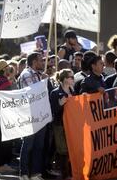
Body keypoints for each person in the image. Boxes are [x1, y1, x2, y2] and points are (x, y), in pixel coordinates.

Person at [18, 52, 47, 180]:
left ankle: (35, 173)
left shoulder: (39, 75)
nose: (43, 63)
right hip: (30, 115)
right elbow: (33, 93)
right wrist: (45, 82)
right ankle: (23, 173)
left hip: (41, 114)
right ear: (34, 62)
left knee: (39, 146)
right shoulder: (26, 75)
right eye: (41, 60)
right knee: (28, 145)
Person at [50, 69, 75, 180]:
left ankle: (70, 172)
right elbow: (53, 111)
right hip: (59, 125)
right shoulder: (55, 93)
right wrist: (60, 103)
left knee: (70, 148)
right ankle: (64, 174)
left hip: (71, 125)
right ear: (65, 79)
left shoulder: (73, 91)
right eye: (71, 77)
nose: (73, 79)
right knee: (62, 150)